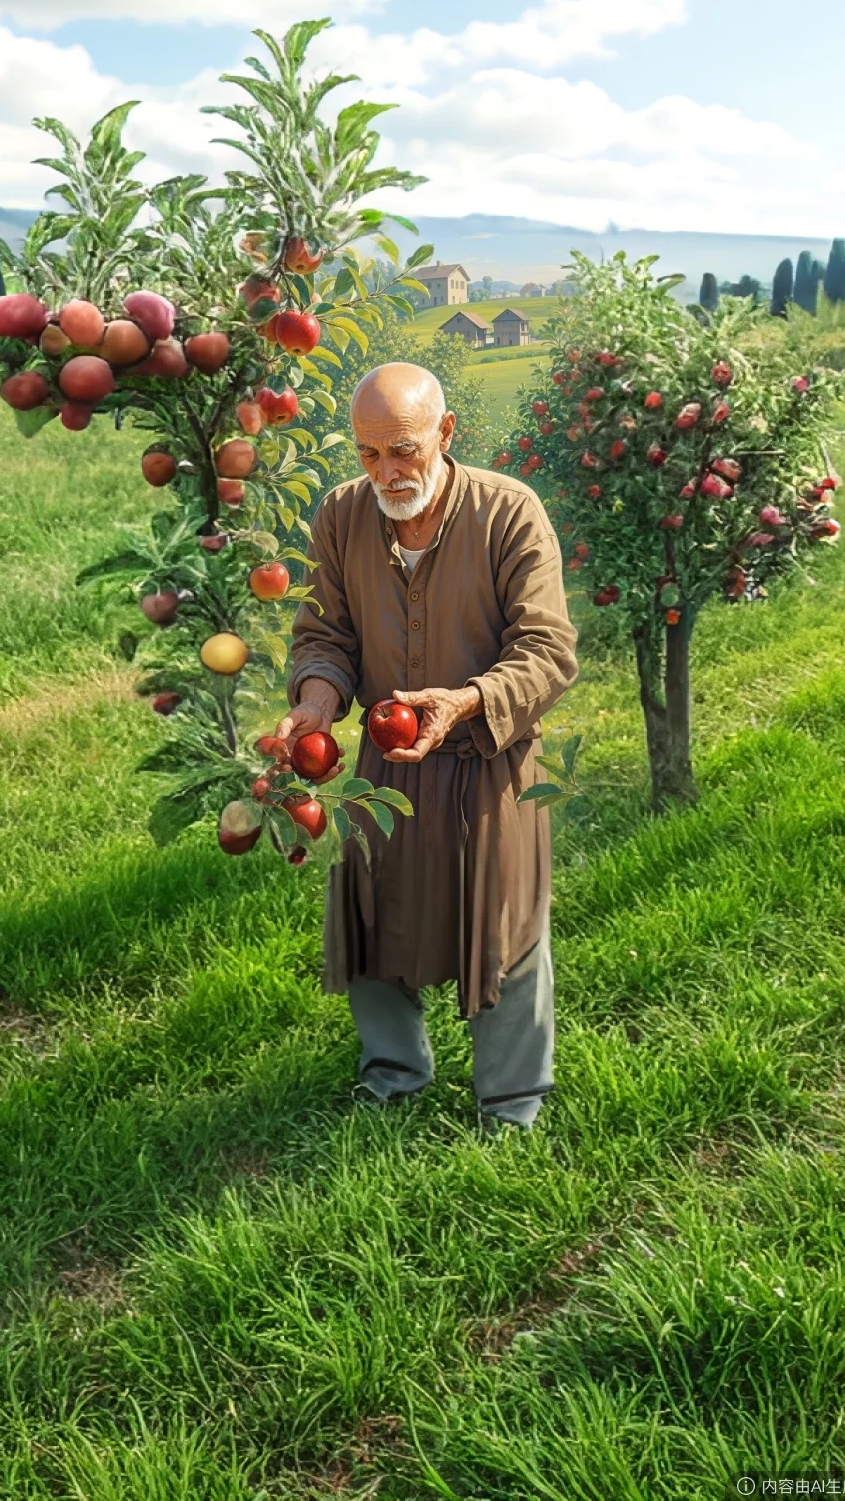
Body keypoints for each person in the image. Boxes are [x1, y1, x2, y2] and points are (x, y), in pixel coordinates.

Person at [276, 361, 578, 1129]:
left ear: (445, 432)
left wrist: (468, 701)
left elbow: (547, 650)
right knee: (374, 913)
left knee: (504, 926)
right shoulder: (341, 516)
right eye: (368, 453)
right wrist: (316, 703)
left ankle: (510, 1103)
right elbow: (324, 635)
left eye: (403, 449)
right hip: (384, 768)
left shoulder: (508, 512)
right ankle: (393, 1076)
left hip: (488, 760)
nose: (386, 471)